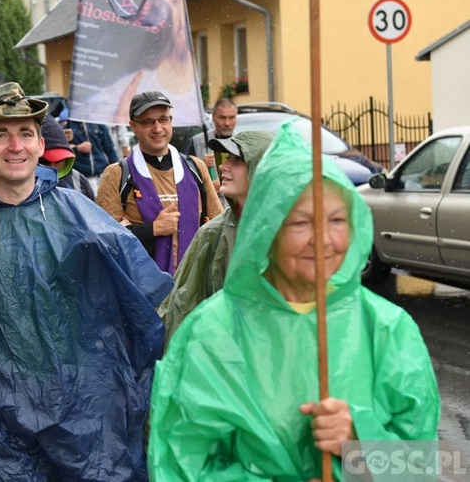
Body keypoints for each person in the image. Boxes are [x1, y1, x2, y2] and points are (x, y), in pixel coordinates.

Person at [0, 82, 173, 482]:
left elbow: (144, 301)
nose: (15, 145)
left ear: (39, 146)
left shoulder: (80, 215)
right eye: (1, 134)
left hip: (84, 411)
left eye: (26, 134)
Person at [148, 122, 440, 481]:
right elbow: (181, 464)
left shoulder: (388, 330)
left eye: (336, 220)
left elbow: (419, 466)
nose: (323, 240)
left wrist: (360, 443)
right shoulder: (212, 336)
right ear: (265, 230)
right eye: (300, 222)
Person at [159, 130, 273, 344]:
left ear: (262, 168)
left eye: (237, 160)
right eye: (226, 158)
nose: (222, 166)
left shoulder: (291, 231)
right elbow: (183, 306)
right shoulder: (213, 233)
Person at [96, 90, 222, 274]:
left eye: (163, 119)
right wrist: (152, 229)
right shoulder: (116, 174)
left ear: (171, 121)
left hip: (193, 290)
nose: (157, 128)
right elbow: (105, 241)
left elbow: (218, 227)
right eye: (148, 122)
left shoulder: (196, 168)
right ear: (133, 126)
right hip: (142, 292)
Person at [39, 113, 95, 200]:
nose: (53, 167)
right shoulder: (19, 187)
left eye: (59, 160)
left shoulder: (79, 181)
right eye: (45, 161)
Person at [65, 118, 118, 193]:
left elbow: (110, 149)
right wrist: (77, 148)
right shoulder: (68, 126)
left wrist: (115, 171)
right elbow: (64, 150)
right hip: (81, 176)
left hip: (101, 174)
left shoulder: (98, 124)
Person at [203, 97, 238, 177]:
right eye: (222, 118)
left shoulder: (243, 144)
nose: (227, 123)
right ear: (213, 117)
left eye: (232, 117)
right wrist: (200, 165)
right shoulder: (197, 142)